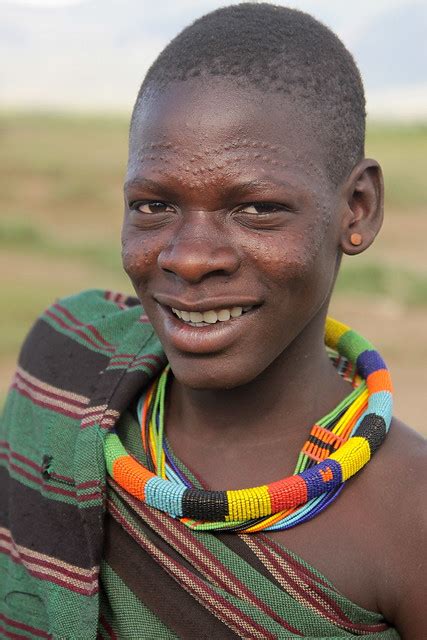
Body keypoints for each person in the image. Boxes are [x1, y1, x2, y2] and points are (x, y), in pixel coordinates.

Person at [1, 3, 426, 638]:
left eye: (256, 208)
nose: (191, 258)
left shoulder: (409, 516)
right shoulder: (67, 366)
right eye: (153, 204)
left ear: (356, 209)